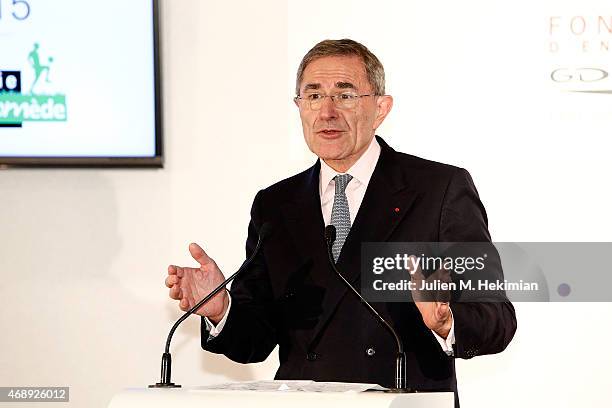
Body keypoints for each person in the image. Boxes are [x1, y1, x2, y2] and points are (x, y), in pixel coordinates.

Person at [165, 39, 516, 404]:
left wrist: (447, 322)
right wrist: (222, 309)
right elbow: (255, 341)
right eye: (313, 96)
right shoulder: (275, 204)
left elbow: (497, 318)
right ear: (299, 107)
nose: (327, 112)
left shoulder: (438, 190)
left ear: (381, 108)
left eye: (345, 96)